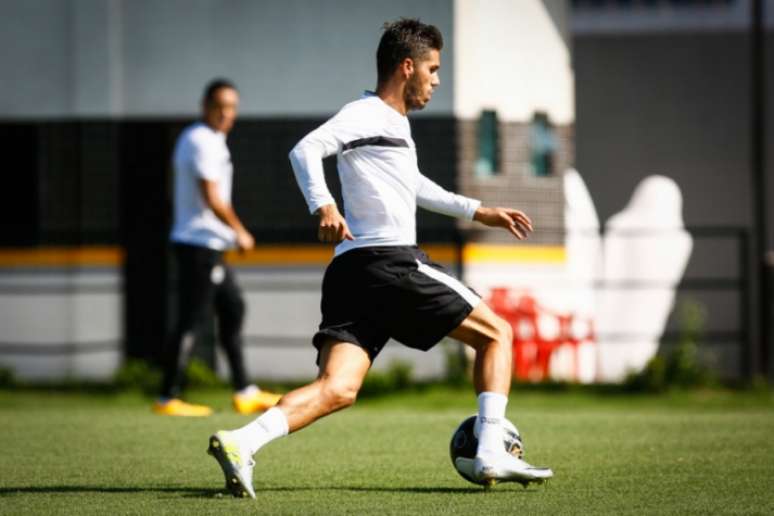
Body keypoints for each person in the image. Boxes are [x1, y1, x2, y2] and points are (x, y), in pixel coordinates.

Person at [207, 20, 553, 497]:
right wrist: (323, 204)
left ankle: (241, 442)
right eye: (432, 69)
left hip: (352, 272)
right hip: (388, 262)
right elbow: (305, 150)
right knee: (498, 334)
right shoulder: (367, 113)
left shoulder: (393, 125)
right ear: (406, 67)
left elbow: (415, 186)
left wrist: (480, 211)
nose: (435, 80)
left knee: (338, 389)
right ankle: (491, 449)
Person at [153, 79, 281, 417]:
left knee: (233, 309)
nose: (227, 113)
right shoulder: (201, 140)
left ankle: (244, 391)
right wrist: (239, 231)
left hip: (209, 246)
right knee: (191, 321)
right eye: (220, 106)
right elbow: (212, 196)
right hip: (198, 245)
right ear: (205, 106)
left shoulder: (210, 140)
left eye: (232, 106)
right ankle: (168, 397)